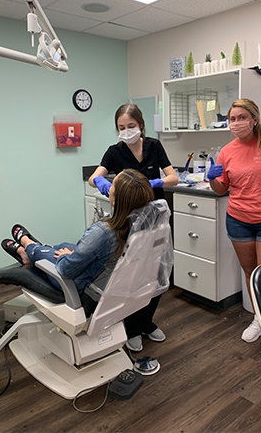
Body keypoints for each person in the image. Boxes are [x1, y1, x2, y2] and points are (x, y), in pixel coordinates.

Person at [207, 98, 261, 367]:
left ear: (254, 119)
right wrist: (212, 178)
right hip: (239, 220)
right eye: (232, 119)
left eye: (242, 117)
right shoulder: (227, 151)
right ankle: (260, 319)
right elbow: (221, 190)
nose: (236, 123)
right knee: (251, 274)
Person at [88, 103, 178, 352]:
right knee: (133, 275)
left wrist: (153, 181)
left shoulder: (153, 146)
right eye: (121, 127)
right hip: (129, 220)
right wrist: (102, 183)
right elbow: (93, 177)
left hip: (157, 218)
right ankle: (132, 328)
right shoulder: (115, 152)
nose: (126, 131)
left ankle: (147, 322)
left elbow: (174, 178)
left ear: (141, 125)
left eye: (131, 126)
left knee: (158, 273)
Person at [1, 169, 154, 298]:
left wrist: (64, 256)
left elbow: (66, 270)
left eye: (113, 183)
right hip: (103, 279)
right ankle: (38, 251)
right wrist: (69, 252)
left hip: (76, 284)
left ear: (116, 199)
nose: (109, 185)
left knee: (45, 251)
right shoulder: (140, 228)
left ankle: (27, 247)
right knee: (63, 245)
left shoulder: (103, 232)